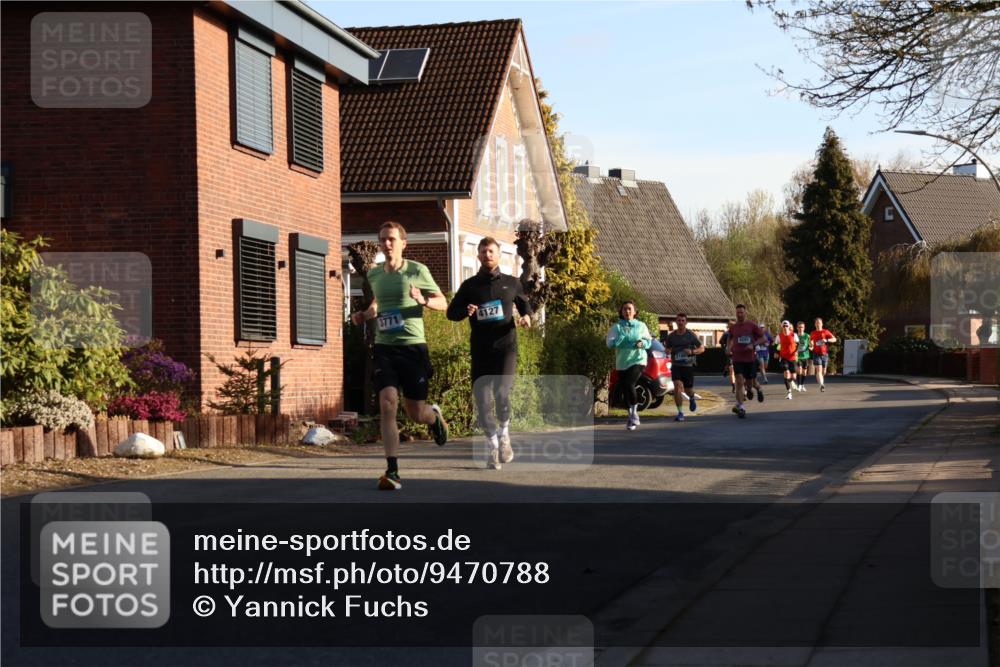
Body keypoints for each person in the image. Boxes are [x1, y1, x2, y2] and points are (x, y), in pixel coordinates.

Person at [350, 221, 449, 491]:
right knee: (387, 403)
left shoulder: (418, 270)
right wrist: (364, 314)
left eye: (392, 239)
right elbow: (377, 303)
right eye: (383, 239)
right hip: (385, 347)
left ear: (403, 243)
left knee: (415, 411)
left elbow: (443, 302)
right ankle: (392, 471)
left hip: (413, 346)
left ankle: (434, 417)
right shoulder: (374, 275)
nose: (387, 244)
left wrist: (424, 300)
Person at [447, 237, 532, 471]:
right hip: (481, 350)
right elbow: (451, 313)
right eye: (483, 251)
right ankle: (493, 446)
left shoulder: (512, 282)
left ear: (498, 254)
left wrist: (526, 316)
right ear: (478, 256)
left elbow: (525, 305)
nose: (487, 255)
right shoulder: (470, 286)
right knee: (482, 402)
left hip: (506, 347)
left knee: (502, 393)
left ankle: (504, 434)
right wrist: (466, 310)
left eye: (491, 251)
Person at [606, 301, 653, 431]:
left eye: (629, 309)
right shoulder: (616, 327)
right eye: (625, 309)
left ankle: (634, 414)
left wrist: (642, 343)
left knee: (629, 383)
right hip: (622, 362)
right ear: (621, 312)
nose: (627, 312)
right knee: (626, 387)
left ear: (635, 312)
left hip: (638, 359)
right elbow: (609, 344)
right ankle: (631, 416)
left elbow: (649, 342)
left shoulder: (641, 326)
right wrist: (619, 339)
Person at [726, 304, 767, 419]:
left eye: (741, 313)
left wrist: (753, 344)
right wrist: (728, 348)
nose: (739, 315)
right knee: (739, 382)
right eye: (737, 313)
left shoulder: (752, 325)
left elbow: (763, 338)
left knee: (751, 383)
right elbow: (730, 337)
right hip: (737, 358)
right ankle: (741, 407)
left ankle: (758, 389)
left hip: (750, 359)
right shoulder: (733, 327)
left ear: (745, 313)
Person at [665, 313, 705, 422]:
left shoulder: (691, 335)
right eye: (679, 320)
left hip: (688, 365)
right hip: (676, 365)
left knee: (688, 390)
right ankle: (680, 412)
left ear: (685, 322)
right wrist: (668, 351)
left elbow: (702, 348)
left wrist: (692, 351)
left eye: (683, 320)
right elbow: (667, 348)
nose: (681, 322)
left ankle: (692, 397)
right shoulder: (671, 336)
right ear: (676, 322)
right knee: (677, 387)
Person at [809, 317, 837, 392]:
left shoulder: (825, 331)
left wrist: (826, 340)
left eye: (819, 323)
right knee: (818, 370)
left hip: (825, 354)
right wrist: (811, 345)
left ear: (822, 324)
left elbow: (834, 339)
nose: (818, 324)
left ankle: (821, 381)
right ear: (815, 324)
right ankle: (821, 385)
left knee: (824, 371)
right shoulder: (813, 333)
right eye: (817, 323)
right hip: (816, 353)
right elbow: (810, 341)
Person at [776, 320, 799, 399]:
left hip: (792, 358)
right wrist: (777, 353)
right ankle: (789, 392)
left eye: (786, 326)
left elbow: (798, 344)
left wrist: (796, 352)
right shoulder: (779, 336)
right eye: (784, 326)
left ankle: (792, 381)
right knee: (786, 373)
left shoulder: (794, 335)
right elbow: (775, 346)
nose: (785, 327)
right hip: (784, 358)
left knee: (794, 377)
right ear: (782, 327)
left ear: (789, 326)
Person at [719, 320, 736, 393]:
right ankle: (734, 385)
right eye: (730, 325)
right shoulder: (726, 334)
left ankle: (725, 369)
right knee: (732, 370)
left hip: (738, 354)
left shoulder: (738, 333)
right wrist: (725, 349)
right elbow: (721, 342)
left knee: (733, 368)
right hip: (730, 354)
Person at [794, 321, 811, 391]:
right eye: (799, 327)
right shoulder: (795, 336)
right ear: (797, 328)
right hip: (798, 356)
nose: (801, 329)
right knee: (799, 370)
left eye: (802, 327)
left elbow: (811, 344)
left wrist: (811, 347)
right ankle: (799, 385)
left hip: (806, 356)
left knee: (804, 372)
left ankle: (802, 384)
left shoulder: (807, 336)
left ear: (804, 328)